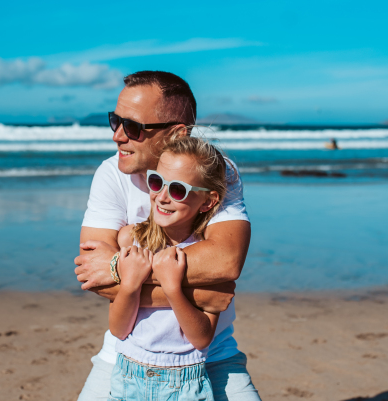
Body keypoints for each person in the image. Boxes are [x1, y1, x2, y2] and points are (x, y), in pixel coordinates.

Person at [74, 71, 261, 401]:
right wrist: (202, 294)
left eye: (133, 127)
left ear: (177, 133)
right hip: (125, 357)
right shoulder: (110, 174)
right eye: (114, 121)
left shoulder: (217, 172)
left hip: (211, 357)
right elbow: (95, 276)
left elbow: (227, 261)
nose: (117, 136)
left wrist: (123, 269)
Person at [109, 136, 227, 400]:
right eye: (156, 182)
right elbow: (118, 329)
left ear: (207, 201)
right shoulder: (131, 239)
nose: (161, 197)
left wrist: (173, 289)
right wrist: (130, 285)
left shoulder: (208, 257)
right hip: (127, 378)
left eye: (177, 190)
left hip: (185, 382)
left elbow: (201, 338)